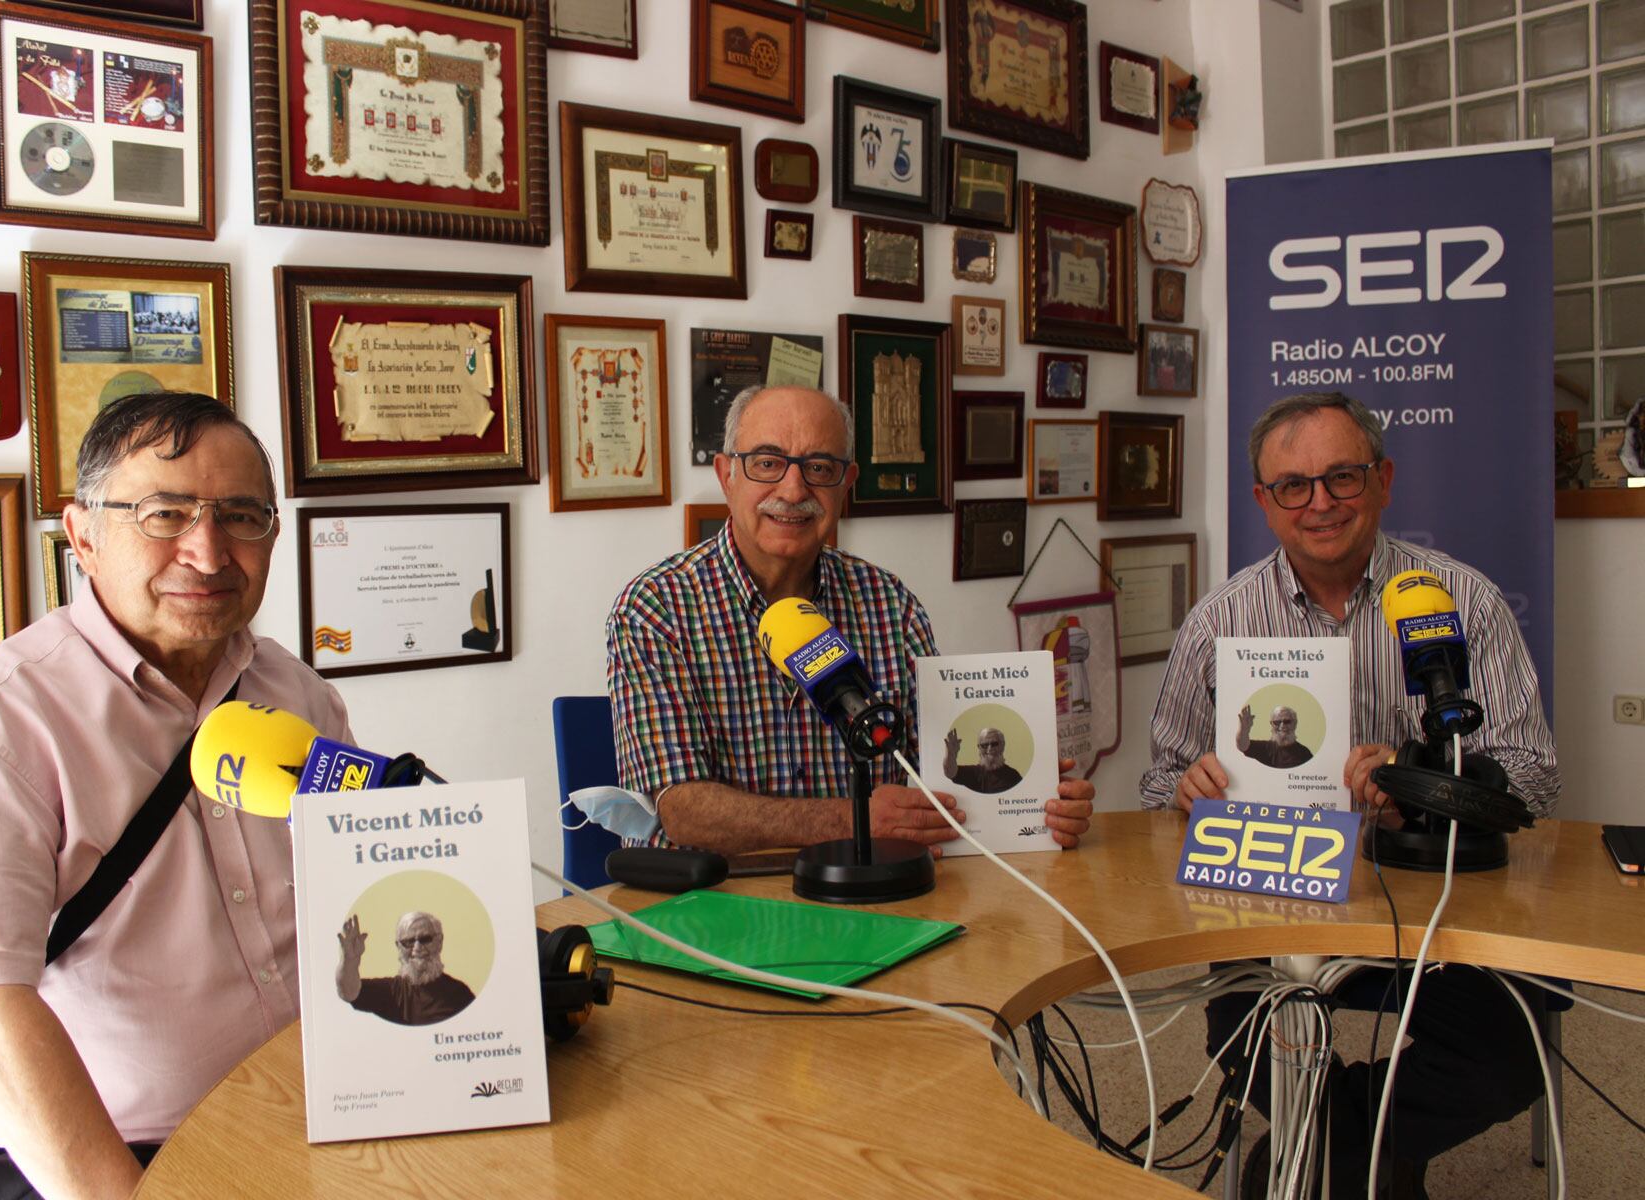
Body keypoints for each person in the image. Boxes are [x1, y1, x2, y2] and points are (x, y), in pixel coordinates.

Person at [0, 393, 352, 1200]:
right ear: (83, 536)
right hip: (112, 1163)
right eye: (165, 514)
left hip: (322, 1117)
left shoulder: (299, 695)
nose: (208, 551)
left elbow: (359, 894)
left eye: (242, 516)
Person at [1139, 391, 1559, 1196]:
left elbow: (1534, 778)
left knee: (1507, 1057)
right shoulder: (1220, 621)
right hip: (1277, 895)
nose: (1320, 503)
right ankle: (1369, 1157)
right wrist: (1187, 789)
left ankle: (1340, 1143)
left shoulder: (1461, 602)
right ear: (1263, 501)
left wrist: (1422, 785)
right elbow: (1158, 783)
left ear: (1383, 480)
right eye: (1292, 486)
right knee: (1240, 1036)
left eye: (1342, 476)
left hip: (1439, 903)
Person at [606, 384, 1095, 857]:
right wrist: (856, 819)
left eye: (819, 468)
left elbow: (940, 764)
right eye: (768, 463)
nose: (793, 489)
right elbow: (681, 810)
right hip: (716, 896)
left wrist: (1030, 801)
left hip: (869, 888)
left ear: (846, 483)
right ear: (726, 474)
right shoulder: (656, 609)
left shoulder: (889, 604)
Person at [336, 911, 476, 1026]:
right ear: (399, 947)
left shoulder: (459, 994)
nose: (417, 948)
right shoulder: (391, 992)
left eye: (425, 939)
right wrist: (350, 960)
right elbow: (348, 993)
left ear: (439, 942)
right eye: (408, 942)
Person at [941, 727, 1024, 794]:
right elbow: (950, 773)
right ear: (979, 748)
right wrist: (951, 754)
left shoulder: (1013, 776)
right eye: (984, 745)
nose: (989, 748)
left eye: (994, 744)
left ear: (1002, 745)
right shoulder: (973, 773)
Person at [1237, 703, 1312, 769]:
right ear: (1272, 724)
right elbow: (1243, 746)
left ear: (1294, 723)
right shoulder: (1265, 748)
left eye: (1287, 721)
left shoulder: (1304, 753)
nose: (1282, 726)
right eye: (1277, 722)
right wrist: (1244, 730)